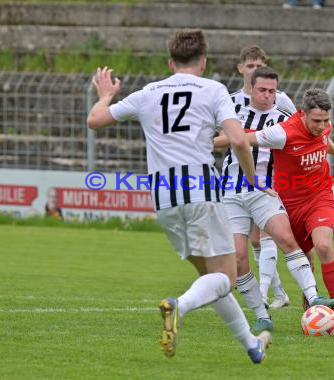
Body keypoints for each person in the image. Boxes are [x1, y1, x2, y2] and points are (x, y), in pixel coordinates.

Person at [86, 29, 272, 363]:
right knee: (225, 279)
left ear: (171, 62)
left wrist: (104, 94)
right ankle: (178, 306)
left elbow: (95, 120)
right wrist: (251, 179)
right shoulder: (213, 89)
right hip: (201, 191)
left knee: (212, 279)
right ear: (203, 62)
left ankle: (252, 346)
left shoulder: (147, 93)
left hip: (164, 198)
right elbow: (240, 141)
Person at [215, 67, 334, 334]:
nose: (268, 96)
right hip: (231, 191)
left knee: (285, 238)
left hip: (266, 191)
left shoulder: (283, 118)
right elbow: (220, 140)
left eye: (272, 91)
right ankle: (261, 314)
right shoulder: (232, 112)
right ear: (251, 86)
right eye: (262, 90)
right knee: (238, 257)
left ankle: (313, 297)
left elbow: (318, 135)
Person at [244, 88, 334, 335]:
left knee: (324, 246)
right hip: (289, 204)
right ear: (303, 114)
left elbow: (324, 140)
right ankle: (312, 298)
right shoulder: (283, 132)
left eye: (326, 120)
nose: (322, 126)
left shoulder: (324, 127)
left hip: (320, 197)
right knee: (304, 257)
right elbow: (246, 138)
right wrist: (211, 141)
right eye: (316, 121)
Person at [231, 45, 295, 310]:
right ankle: (278, 293)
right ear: (241, 69)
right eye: (251, 66)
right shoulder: (231, 101)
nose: (255, 70)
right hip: (237, 179)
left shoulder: (281, 100)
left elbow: (298, 131)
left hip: (270, 177)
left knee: (266, 236)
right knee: (256, 240)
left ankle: (266, 293)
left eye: (260, 66)